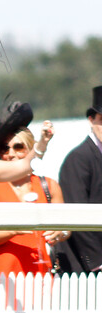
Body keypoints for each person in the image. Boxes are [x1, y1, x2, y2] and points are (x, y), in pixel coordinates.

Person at [0, 102, 64, 277]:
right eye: (5, 148)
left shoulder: (49, 185)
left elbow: (66, 227)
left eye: (18, 147)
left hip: (41, 273)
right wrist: (14, 230)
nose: (11, 154)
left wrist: (61, 232)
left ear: (30, 150)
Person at [58, 85, 102, 273]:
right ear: (91, 120)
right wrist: (97, 262)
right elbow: (76, 214)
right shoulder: (79, 158)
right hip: (84, 264)